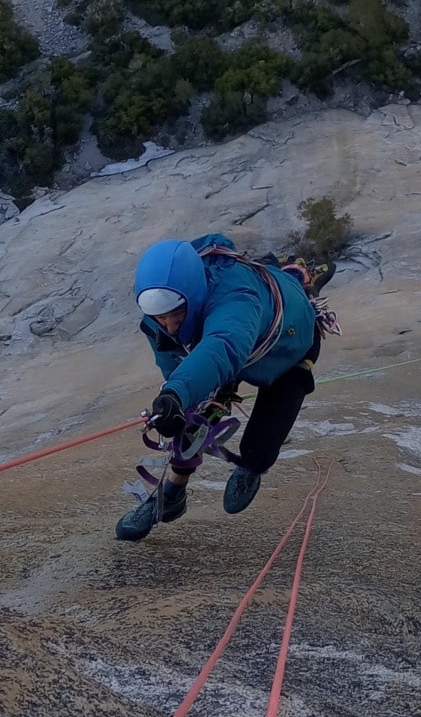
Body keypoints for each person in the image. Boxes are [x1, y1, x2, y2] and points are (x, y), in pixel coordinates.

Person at [116, 232, 319, 542]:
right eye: (160, 318)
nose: (169, 326)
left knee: (257, 451)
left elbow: (224, 346)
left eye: (176, 315)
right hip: (222, 346)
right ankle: (170, 495)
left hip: (288, 347)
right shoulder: (157, 316)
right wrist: (176, 399)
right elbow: (181, 375)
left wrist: (177, 391)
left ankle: (252, 465)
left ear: (195, 296)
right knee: (189, 417)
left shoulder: (237, 295)